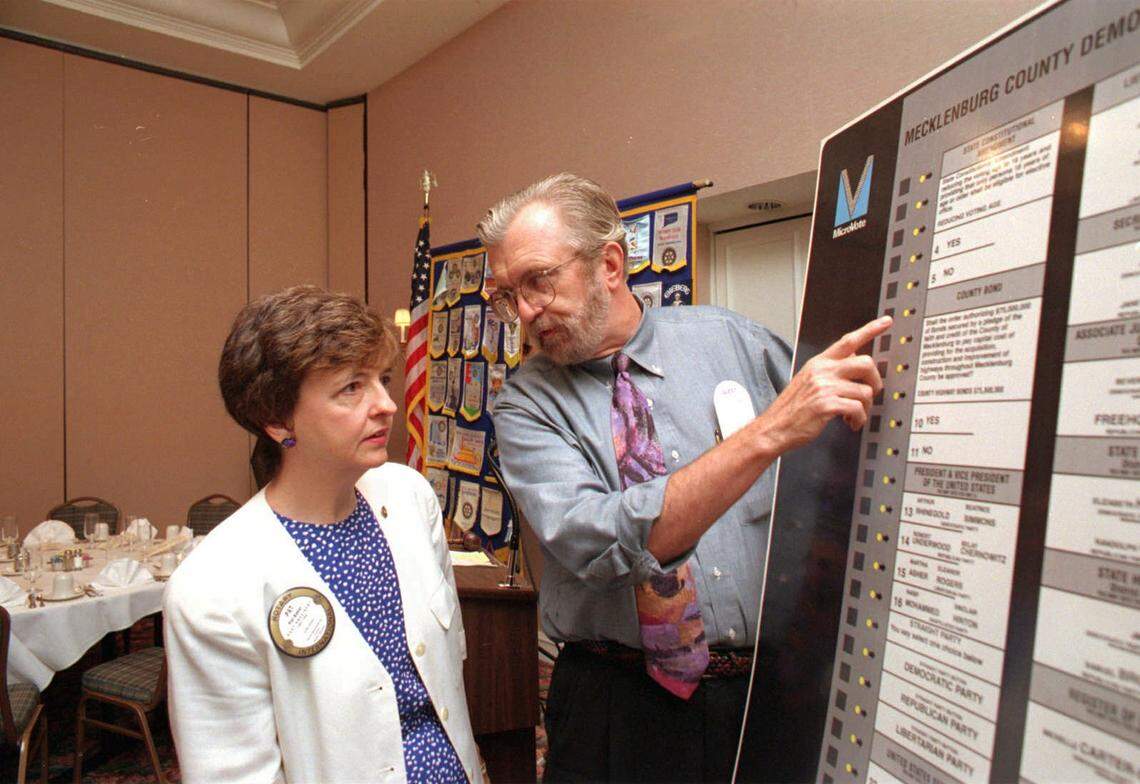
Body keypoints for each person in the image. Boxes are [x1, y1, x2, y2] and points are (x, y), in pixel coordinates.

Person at [476, 173, 890, 782]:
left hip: (766, 691)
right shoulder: (525, 406)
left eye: (539, 280)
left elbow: (849, 453)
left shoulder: (735, 343)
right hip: (617, 706)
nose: (527, 311)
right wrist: (766, 434)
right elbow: (599, 537)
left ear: (609, 265)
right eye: (509, 295)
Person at [164, 286, 482, 783]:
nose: (386, 405)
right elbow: (231, 772)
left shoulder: (409, 498)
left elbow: (446, 683)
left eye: (382, 379)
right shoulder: (212, 588)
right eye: (351, 388)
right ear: (276, 418)